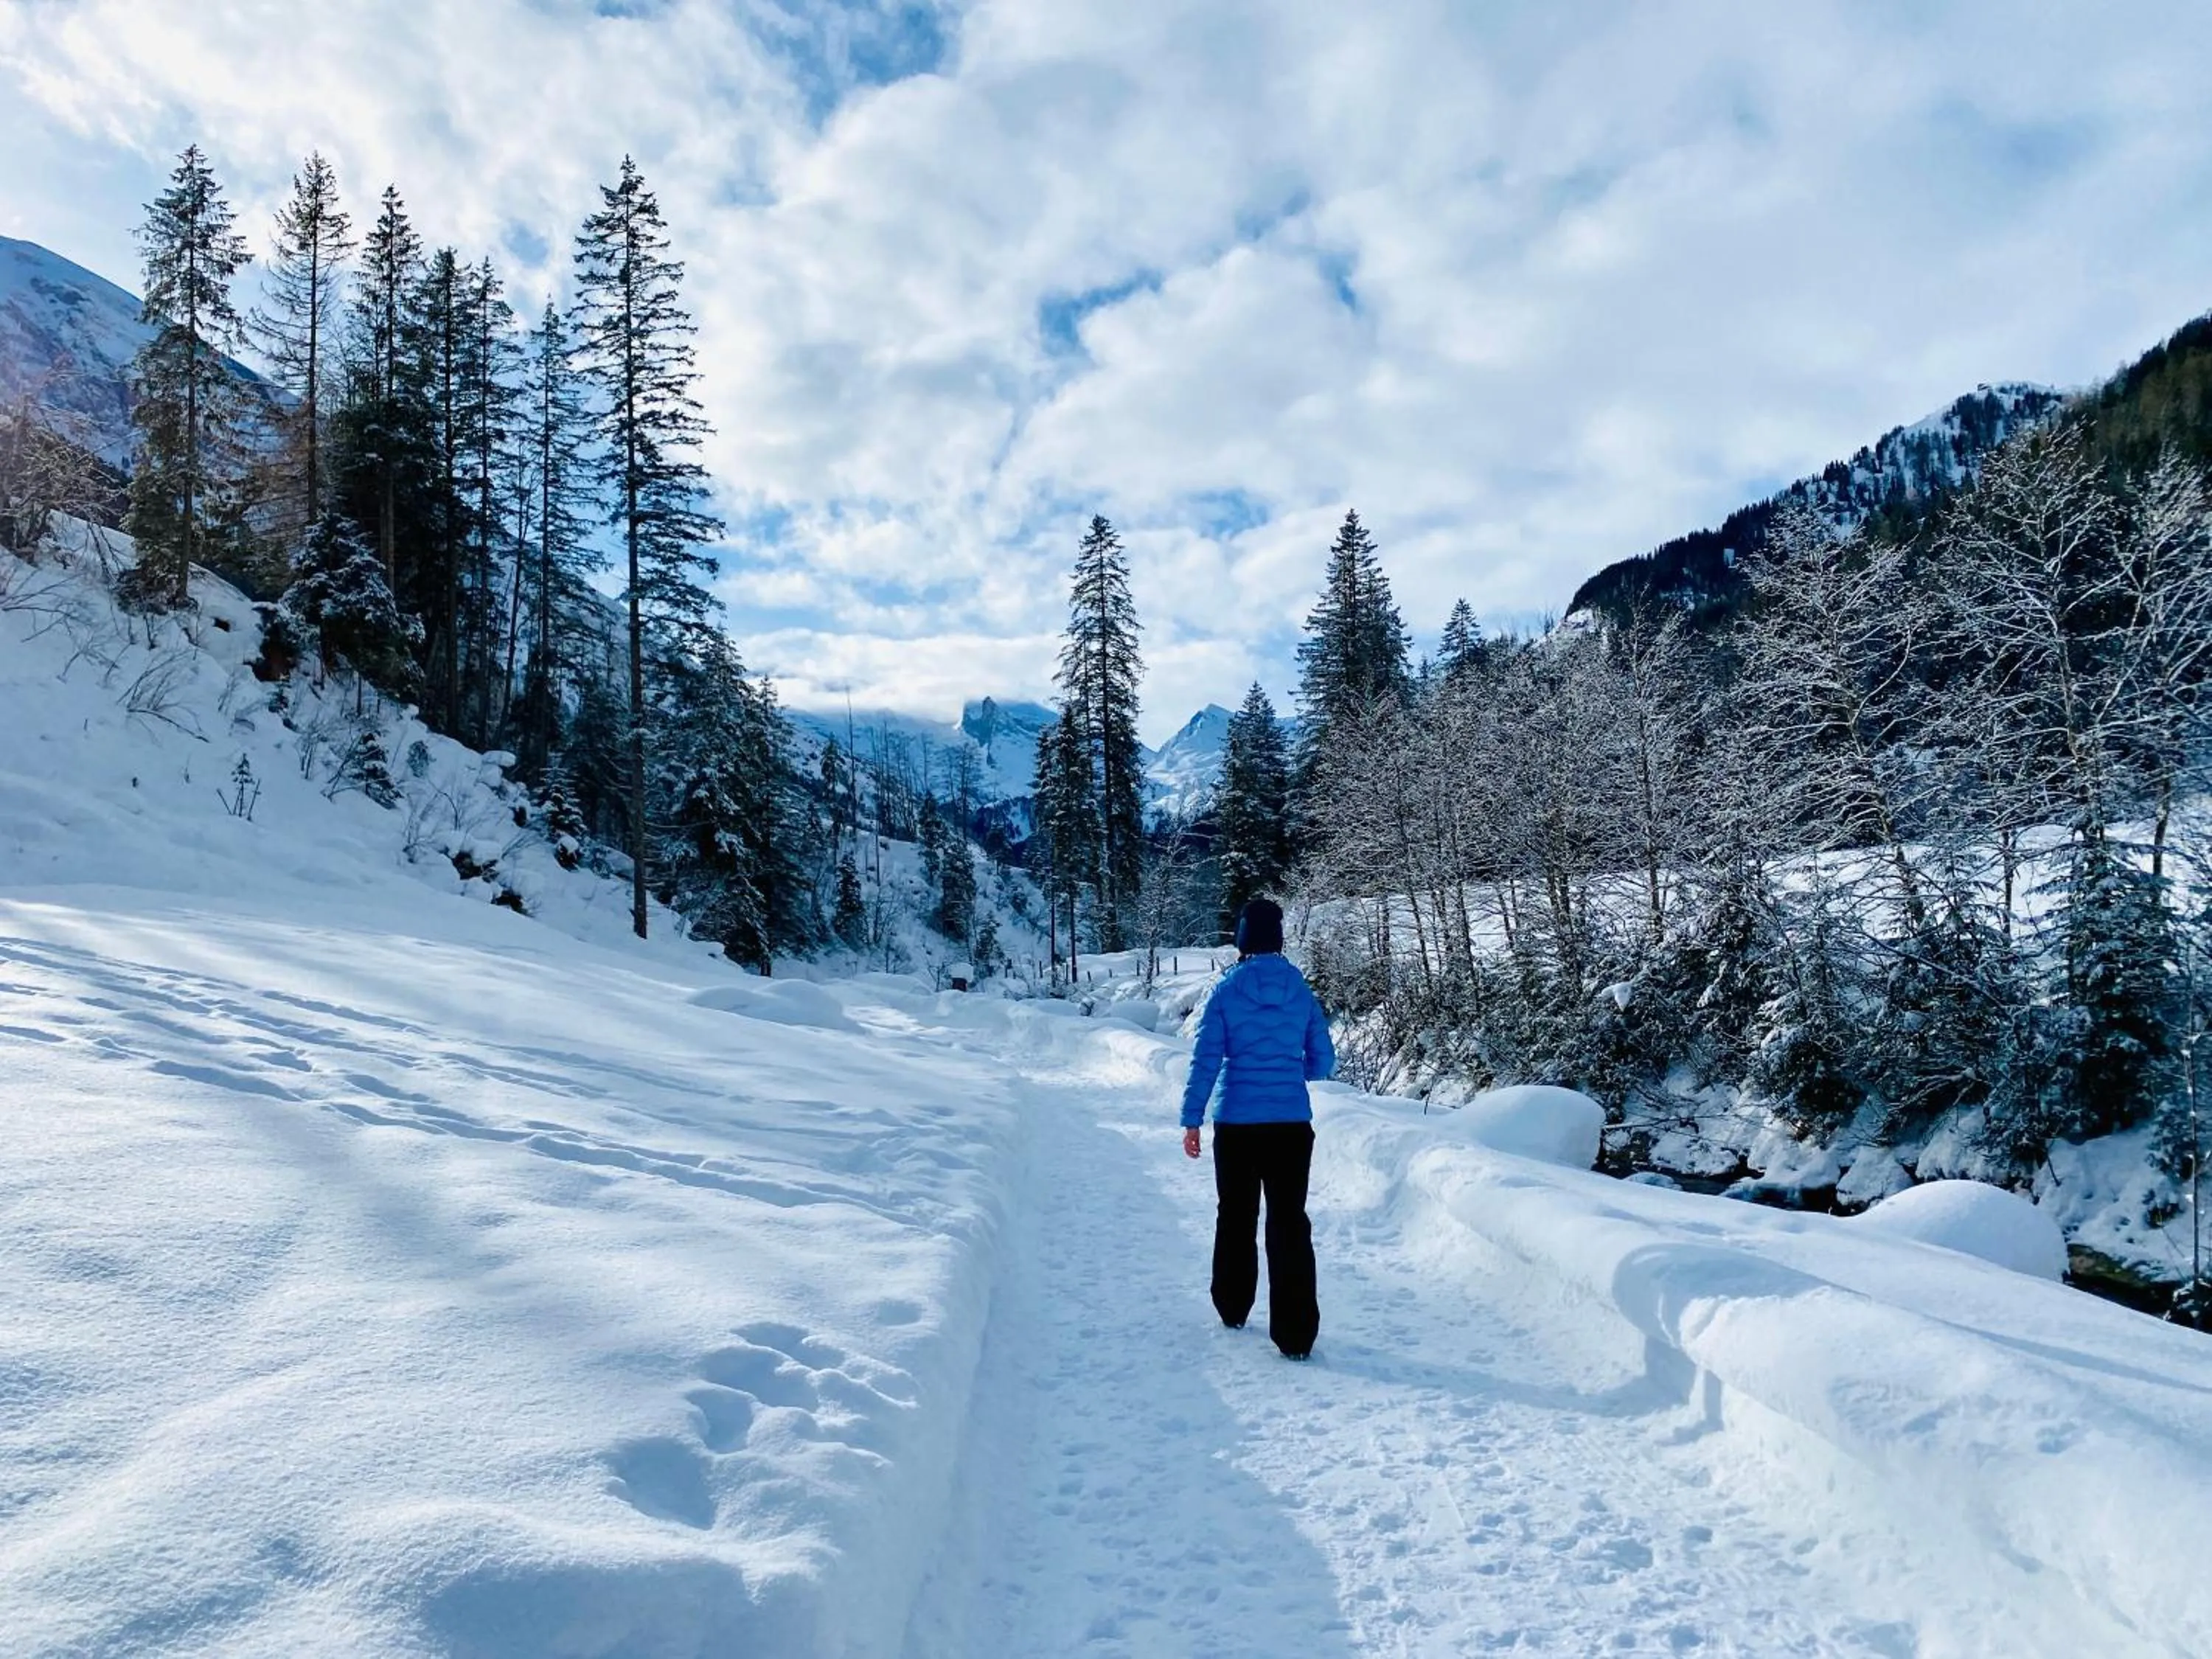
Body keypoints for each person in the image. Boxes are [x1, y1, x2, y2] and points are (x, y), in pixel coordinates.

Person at [1180, 897, 1335, 1360]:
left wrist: (1192, 1120)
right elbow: (1323, 1060)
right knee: (1289, 1223)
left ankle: (1232, 1306)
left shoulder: (1225, 992)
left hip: (1237, 1125)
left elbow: (1205, 1060)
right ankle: (1296, 1336)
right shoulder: (1300, 991)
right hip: (1291, 1125)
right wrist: (1289, 1074)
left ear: (1242, 939)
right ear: (1279, 939)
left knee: (1236, 1214)